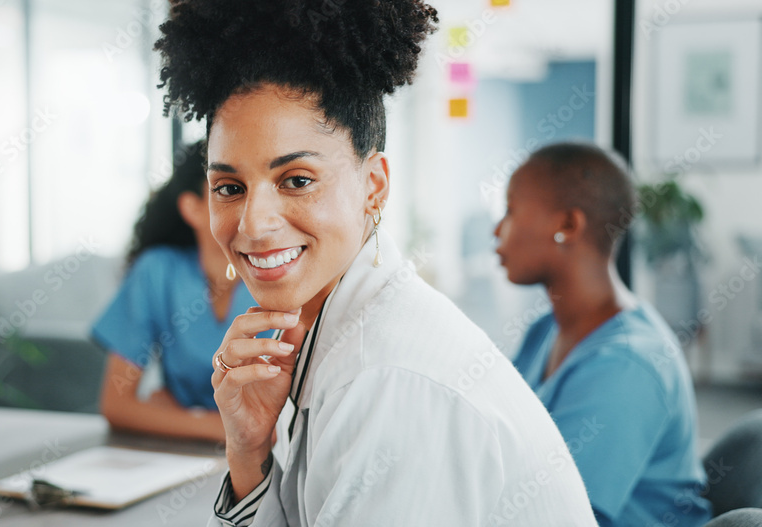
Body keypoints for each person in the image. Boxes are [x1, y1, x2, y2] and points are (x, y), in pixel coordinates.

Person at [154, 1, 598, 525]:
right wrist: (249, 453)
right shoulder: (334, 330)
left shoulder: (388, 378)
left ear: (374, 186)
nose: (253, 224)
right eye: (229, 188)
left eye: (296, 180)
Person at [494, 142, 713, 526]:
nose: (498, 230)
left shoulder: (627, 365)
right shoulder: (545, 331)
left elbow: (555, 515)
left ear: (567, 226)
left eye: (511, 210)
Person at [91, 141, 256, 442]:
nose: (254, 206)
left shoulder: (282, 271)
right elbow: (117, 405)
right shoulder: (157, 273)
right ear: (191, 208)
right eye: (230, 190)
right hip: (181, 454)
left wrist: (169, 415)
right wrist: (228, 428)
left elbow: (289, 423)